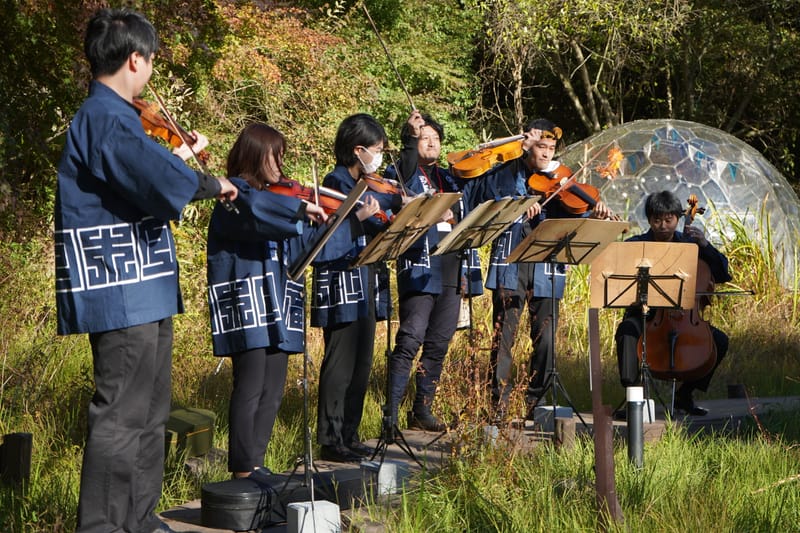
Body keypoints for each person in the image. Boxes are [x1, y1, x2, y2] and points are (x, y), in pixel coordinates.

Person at [53, 8, 237, 532]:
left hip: (145, 285)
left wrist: (181, 164)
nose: (151, 70)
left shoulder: (120, 118)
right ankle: (103, 527)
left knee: (152, 412)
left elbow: (143, 181)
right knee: (120, 415)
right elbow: (154, 175)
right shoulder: (103, 116)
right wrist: (209, 182)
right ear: (136, 58)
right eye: (151, 60)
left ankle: (138, 518)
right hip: (120, 286)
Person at [207, 123, 372, 478]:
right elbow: (256, 208)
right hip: (249, 301)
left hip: (280, 302)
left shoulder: (276, 200)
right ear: (254, 154)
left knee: (273, 388)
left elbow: (303, 247)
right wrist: (297, 211)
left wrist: (342, 222)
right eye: (275, 156)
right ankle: (241, 470)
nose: (281, 165)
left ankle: (257, 462)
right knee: (250, 385)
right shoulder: (233, 195)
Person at [462, 118, 612, 422]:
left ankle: (537, 403)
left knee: (546, 339)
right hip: (512, 261)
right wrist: (517, 205)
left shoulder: (560, 178)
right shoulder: (506, 173)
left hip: (548, 263)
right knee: (504, 336)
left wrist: (593, 210)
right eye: (541, 147)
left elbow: (573, 209)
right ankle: (498, 407)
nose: (547, 154)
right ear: (528, 145)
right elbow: (477, 193)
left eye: (552, 148)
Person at [311, 113, 403, 462]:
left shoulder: (368, 185)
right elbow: (324, 238)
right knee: (339, 364)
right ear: (358, 149)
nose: (379, 159)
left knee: (362, 362)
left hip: (366, 283)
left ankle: (349, 433)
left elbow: (383, 215)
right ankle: (330, 439)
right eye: (377, 151)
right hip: (339, 284)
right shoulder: (335, 184)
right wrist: (359, 219)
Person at [383, 111, 483, 431]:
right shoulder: (400, 170)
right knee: (411, 337)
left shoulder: (450, 178)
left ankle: (422, 409)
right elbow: (404, 177)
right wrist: (410, 139)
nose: (432, 142)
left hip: (452, 267)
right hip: (421, 264)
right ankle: (390, 413)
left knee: (439, 341)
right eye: (425, 137)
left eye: (436, 138)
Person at [615, 190, 732, 415]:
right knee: (627, 331)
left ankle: (684, 395)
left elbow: (723, 272)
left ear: (678, 219)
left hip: (684, 316)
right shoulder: (636, 244)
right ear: (649, 220)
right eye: (657, 220)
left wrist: (705, 245)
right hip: (645, 315)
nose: (663, 226)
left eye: (668, 220)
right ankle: (633, 397)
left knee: (720, 341)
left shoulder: (690, 244)